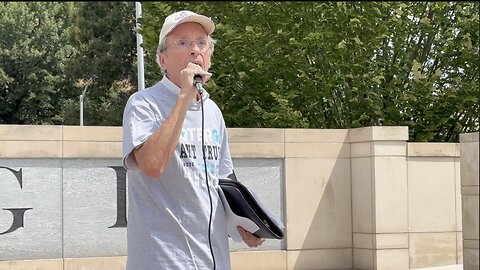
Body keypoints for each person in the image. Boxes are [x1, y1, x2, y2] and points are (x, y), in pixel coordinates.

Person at [122, 10, 264, 270]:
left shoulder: (213, 111)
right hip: (162, 260)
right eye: (183, 43)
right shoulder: (143, 104)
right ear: (162, 60)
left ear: (209, 56)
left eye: (202, 43)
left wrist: (244, 223)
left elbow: (222, 182)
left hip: (214, 259)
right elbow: (152, 165)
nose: (194, 50)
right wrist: (183, 100)